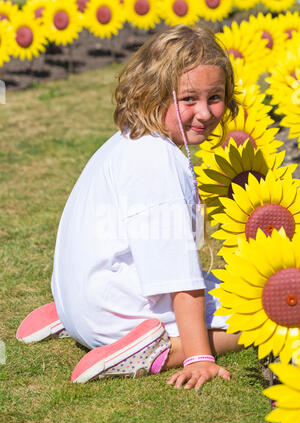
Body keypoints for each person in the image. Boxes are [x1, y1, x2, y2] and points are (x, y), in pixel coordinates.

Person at [17, 24, 242, 390]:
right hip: (117, 317)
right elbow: (178, 274)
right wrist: (199, 355)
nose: (204, 112)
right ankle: (157, 350)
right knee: (259, 313)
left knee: (228, 287)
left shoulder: (132, 139)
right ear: (154, 94)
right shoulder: (157, 161)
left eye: (215, 96)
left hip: (83, 300)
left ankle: (71, 317)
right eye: (188, 99)